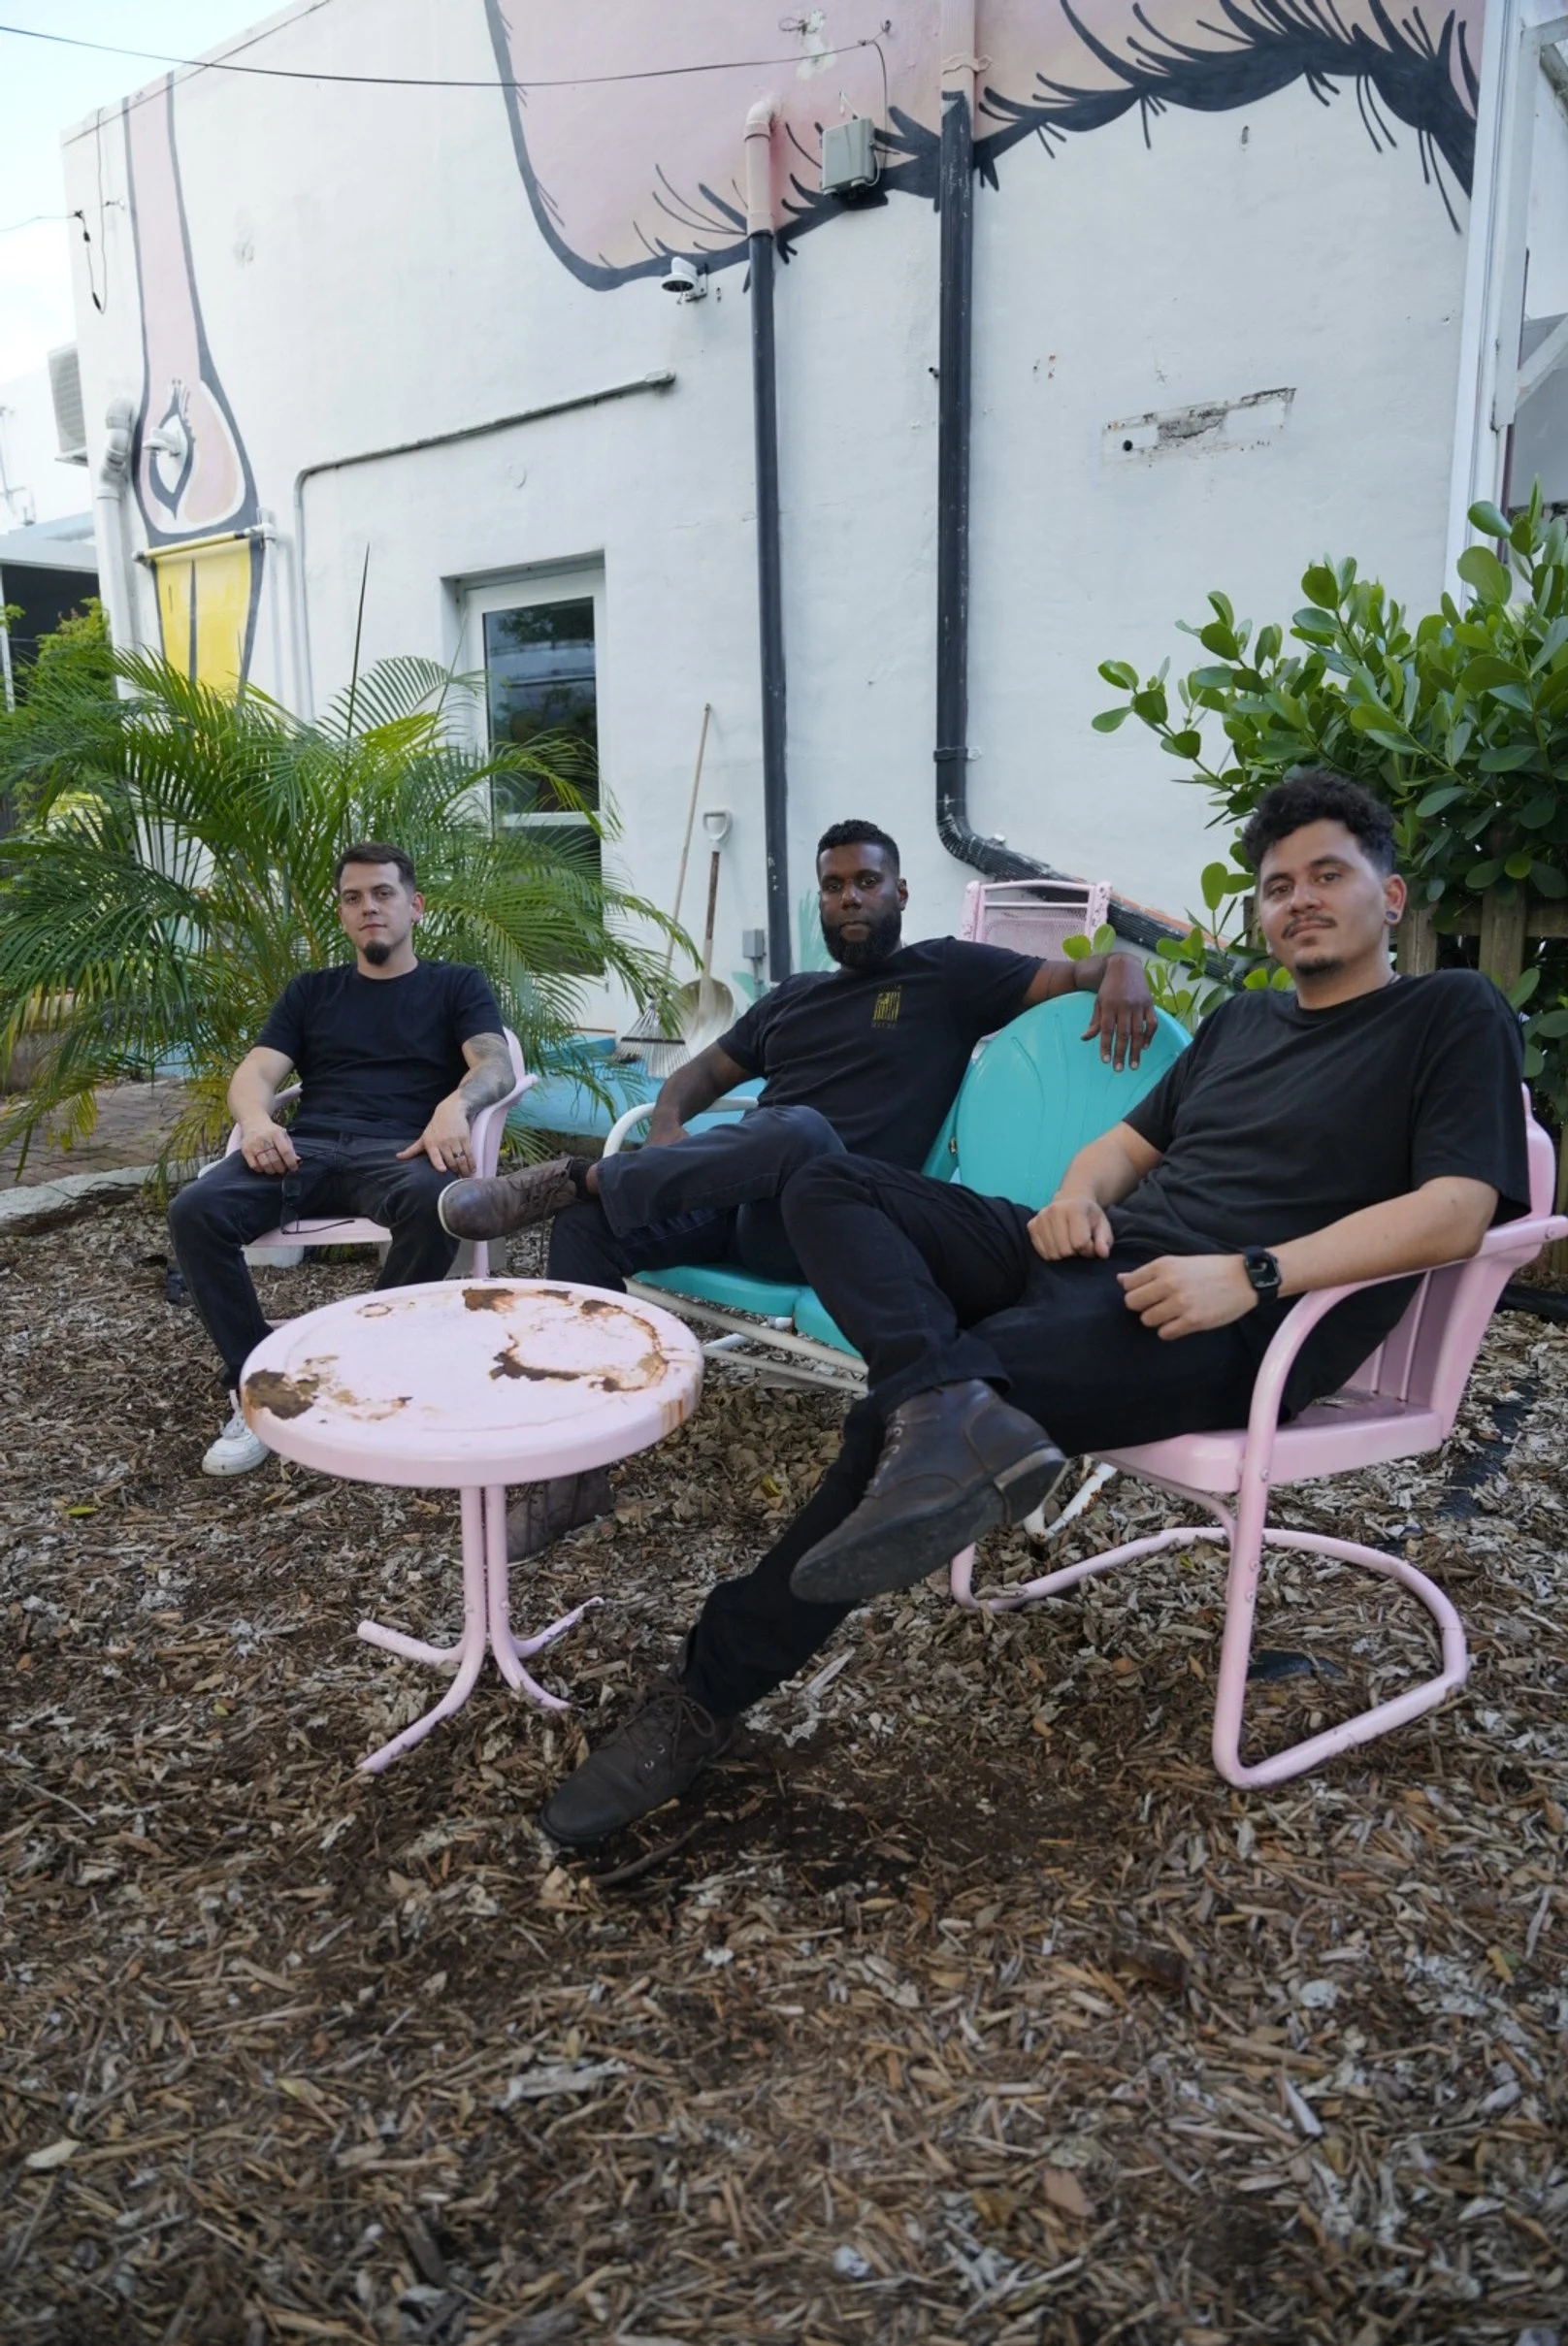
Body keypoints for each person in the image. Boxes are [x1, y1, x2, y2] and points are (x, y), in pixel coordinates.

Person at [539, 772, 1530, 1845]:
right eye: (1276, 883)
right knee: (824, 1174)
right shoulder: (1242, 1022)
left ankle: (704, 1694)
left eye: (1326, 875)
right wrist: (1071, 1198)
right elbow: (1123, 1147)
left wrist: (1248, 1273)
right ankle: (942, 1405)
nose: (1297, 899)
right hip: (1100, 1260)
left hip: (1221, 1317)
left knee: (881, 1431)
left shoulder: (1447, 1013)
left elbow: (1455, 1209)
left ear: (1389, 897)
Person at [440, 818, 1156, 1554]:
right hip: (738, 1207)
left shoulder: (947, 975)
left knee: (802, 1131)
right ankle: (575, 1478)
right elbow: (693, 1077)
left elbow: (1076, 974)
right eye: (834, 886)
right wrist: (665, 1133)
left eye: (867, 883)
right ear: (820, 902)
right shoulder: (791, 999)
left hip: (836, 1230)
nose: (850, 899)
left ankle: (571, 1176)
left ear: (900, 892)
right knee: (587, 1226)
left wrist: (1125, 970)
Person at [170, 843, 512, 1477]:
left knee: (439, 1204)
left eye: (383, 894)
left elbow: (494, 1062)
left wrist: (454, 1108)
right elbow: (257, 1073)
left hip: (401, 1152)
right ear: (342, 915)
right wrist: (255, 1121)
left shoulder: (454, 985)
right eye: (353, 898)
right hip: (308, 1150)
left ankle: (363, 1367)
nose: (369, 908)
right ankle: (259, 1389)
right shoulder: (312, 993)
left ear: (415, 905)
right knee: (196, 1210)